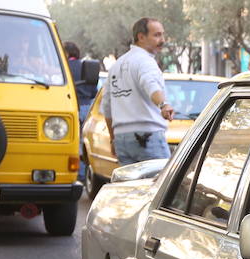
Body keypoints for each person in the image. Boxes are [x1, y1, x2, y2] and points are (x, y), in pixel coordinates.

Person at [102, 17, 174, 166]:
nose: (162, 40)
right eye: (157, 35)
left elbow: (107, 107)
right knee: (161, 186)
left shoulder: (117, 65)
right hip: (147, 137)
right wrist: (163, 105)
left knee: (133, 188)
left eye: (162, 34)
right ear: (141, 37)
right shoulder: (145, 61)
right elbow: (151, 84)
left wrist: (113, 139)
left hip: (122, 139)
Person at [64, 41, 98, 119]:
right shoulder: (87, 67)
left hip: (71, 107)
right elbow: (94, 92)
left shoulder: (64, 68)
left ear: (66, 53)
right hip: (87, 108)